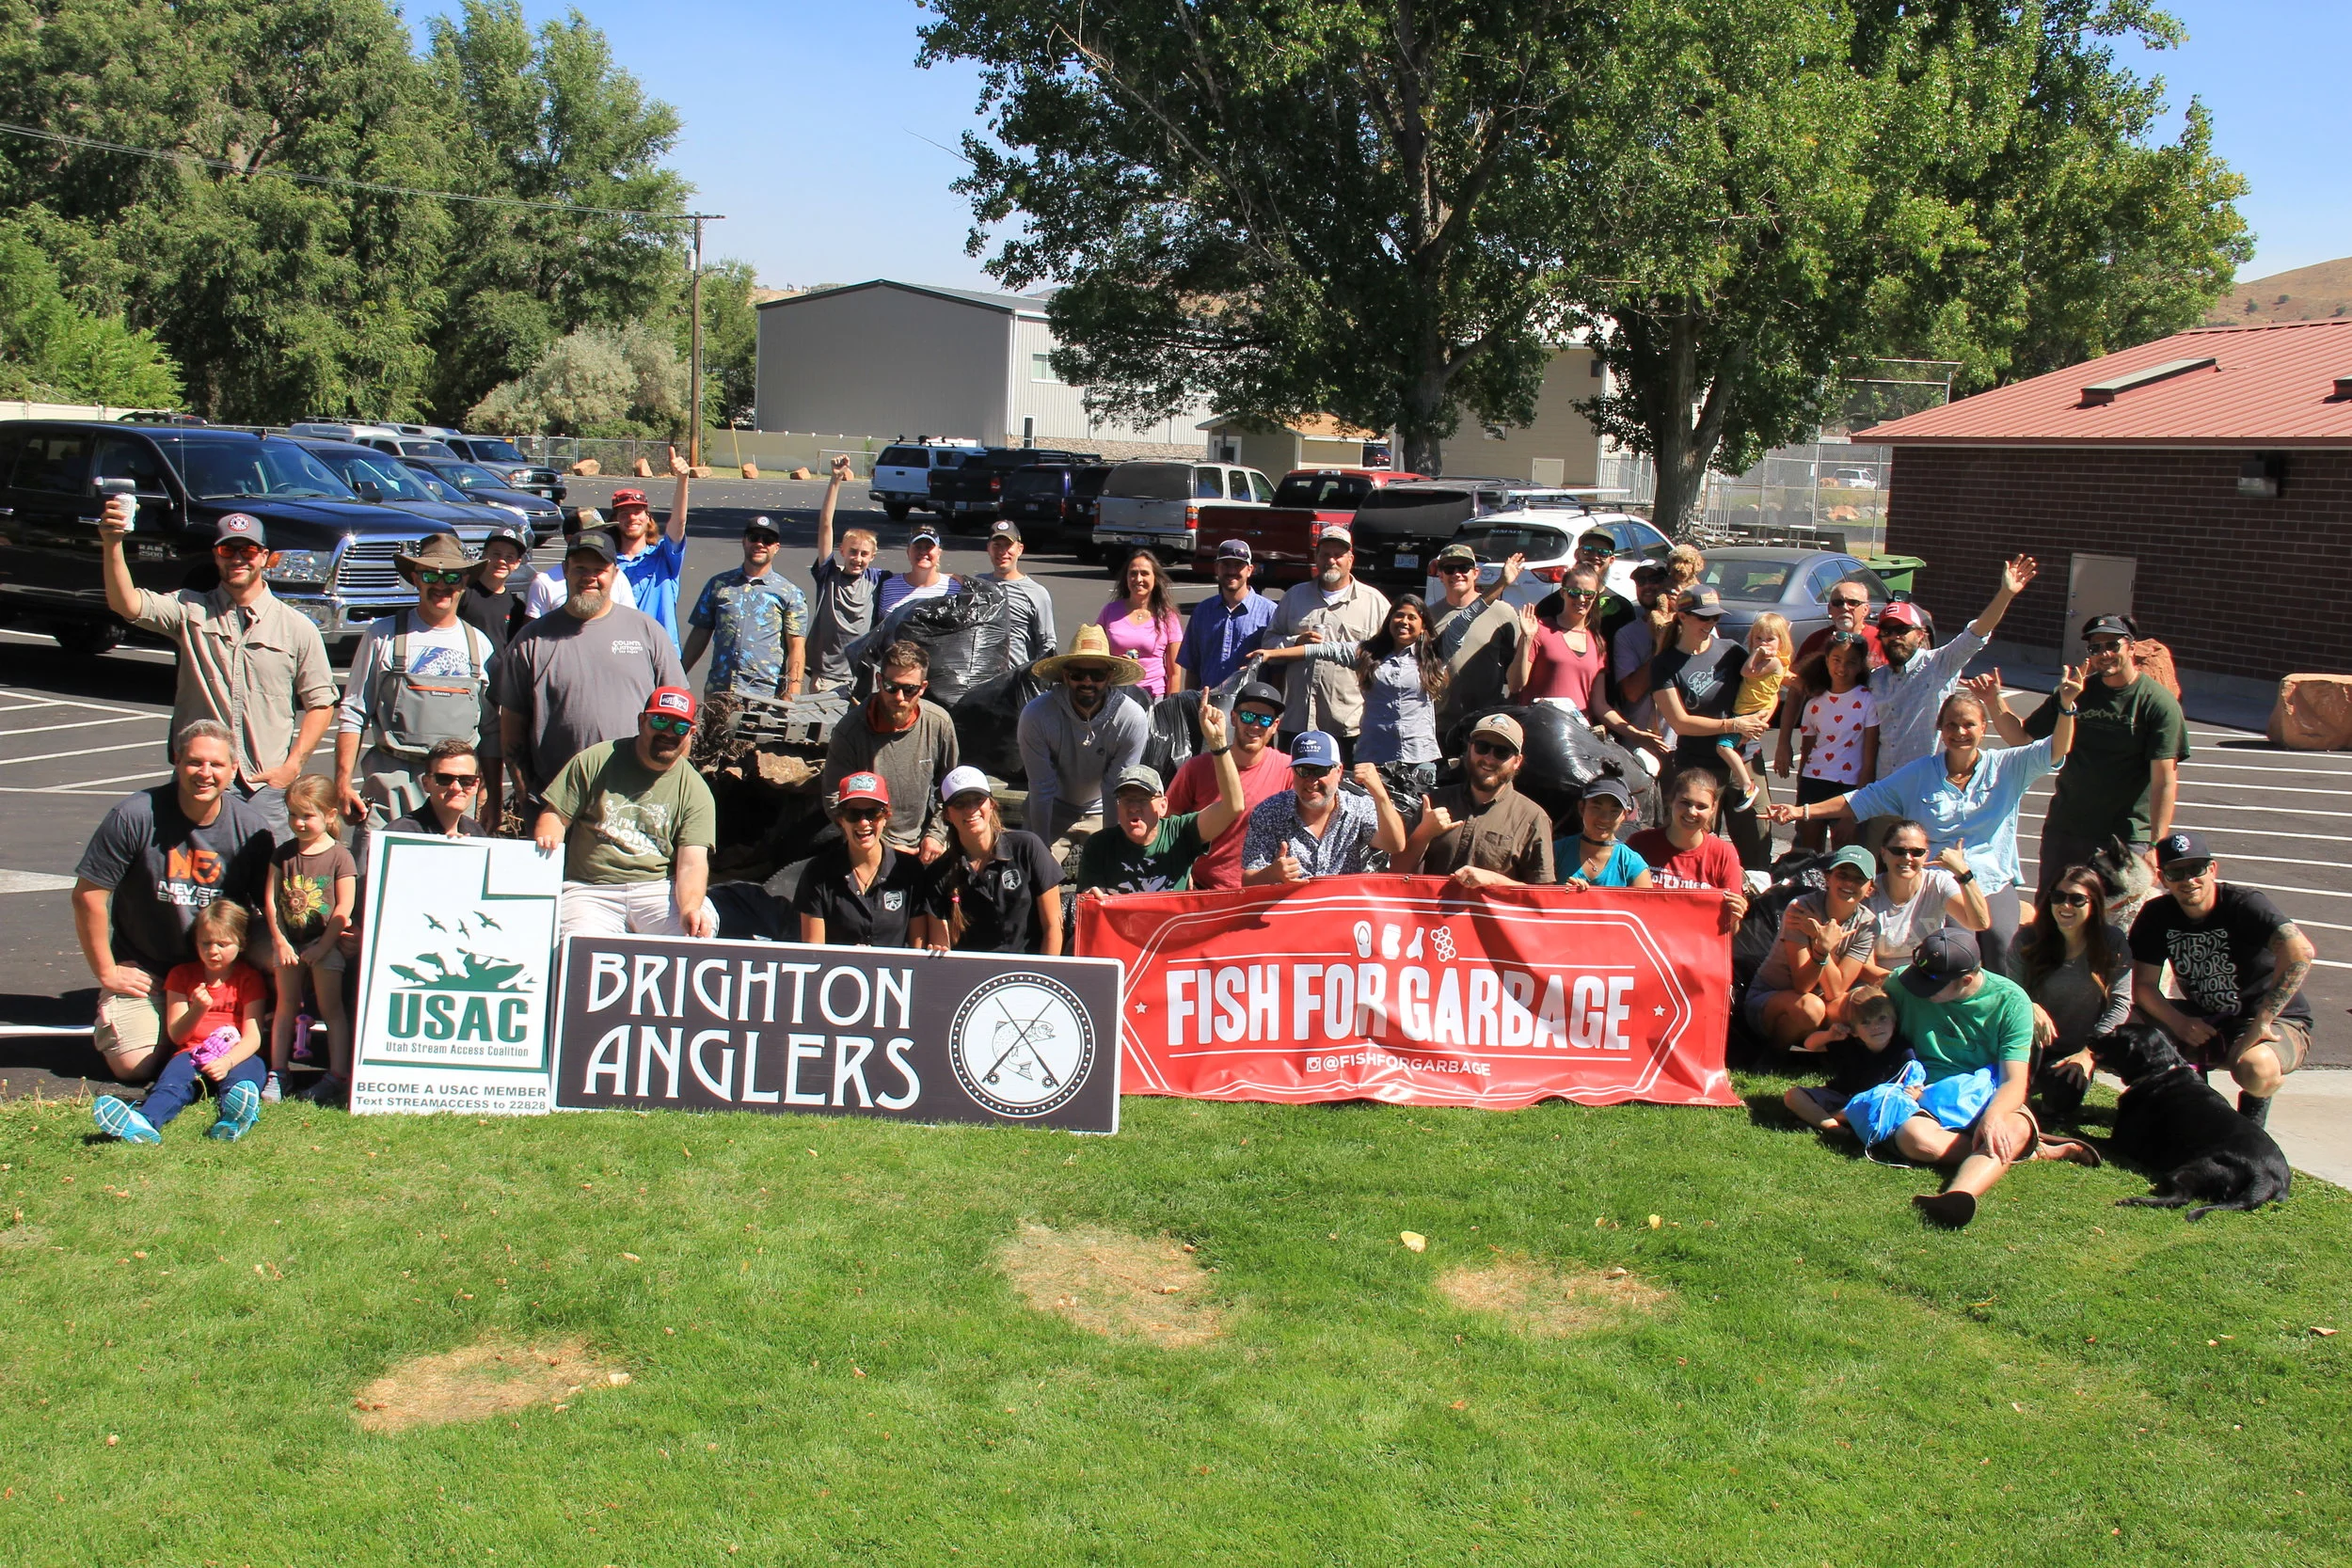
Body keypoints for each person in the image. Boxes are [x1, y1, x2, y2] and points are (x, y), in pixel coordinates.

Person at [1775, 668, 2084, 976]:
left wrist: (2067, 705)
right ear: (1940, 728)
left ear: (1983, 727)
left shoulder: (2008, 766)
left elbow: (2056, 751)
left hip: (1990, 878)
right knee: (1955, 948)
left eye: (1968, 724)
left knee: (2003, 943)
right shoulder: (1920, 773)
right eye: (1951, 724)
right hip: (1939, 883)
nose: (1960, 732)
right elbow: (1864, 799)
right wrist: (1802, 811)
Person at [95, 499, 335, 840]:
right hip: (200, 781)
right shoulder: (189, 609)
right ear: (216, 555)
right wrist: (112, 542)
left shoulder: (296, 628)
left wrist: (291, 766)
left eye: (248, 550)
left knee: (262, 880)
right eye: (228, 551)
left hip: (263, 786)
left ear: (265, 557)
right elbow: (127, 603)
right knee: (193, 878)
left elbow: (321, 704)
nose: (238, 558)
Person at [71, 721, 274, 1085]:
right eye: (195, 762)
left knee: (283, 954)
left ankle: (271, 1019)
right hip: (150, 968)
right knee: (135, 1067)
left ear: (234, 770)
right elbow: (88, 896)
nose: (205, 774)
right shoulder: (135, 816)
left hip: (218, 966)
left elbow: (272, 909)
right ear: (177, 761)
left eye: (216, 765)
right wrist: (107, 971)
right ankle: (153, 1020)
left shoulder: (251, 828)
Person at [1881, 929, 2101, 1229]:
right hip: (1929, 1097)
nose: (1915, 986)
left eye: (1928, 984)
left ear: (1966, 980)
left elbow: (2014, 1081)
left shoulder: (2011, 1002)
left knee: (2007, 1129)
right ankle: (2028, 1150)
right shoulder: (1902, 983)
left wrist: (1994, 1117)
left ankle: (1958, 1197)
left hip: (1990, 1095)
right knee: (1915, 1140)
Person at [1984, 614, 2187, 899]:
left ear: (2131, 647)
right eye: (2095, 648)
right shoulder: (2077, 692)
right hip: (2067, 829)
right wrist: (1994, 701)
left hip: (2124, 840)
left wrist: (2155, 843)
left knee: (2117, 920)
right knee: (2054, 910)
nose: (2104, 654)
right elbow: (2021, 737)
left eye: (2112, 645)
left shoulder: (2156, 703)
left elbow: (2164, 780)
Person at [2128, 831, 2315, 1128]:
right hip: (2209, 1018)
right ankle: (2193, 1107)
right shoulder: (2157, 915)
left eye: (2196, 869)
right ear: (2163, 878)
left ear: (2212, 869)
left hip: (2273, 1019)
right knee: (2132, 1030)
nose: (2189, 880)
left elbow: (2300, 952)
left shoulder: (2244, 905)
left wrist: (2261, 1023)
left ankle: (2251, 1122)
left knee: (2257, 1070)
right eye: (2177, 872)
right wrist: (2179, 1023)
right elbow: (2144, 988)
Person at [494, 529, 687, 813]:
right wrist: (526, 797)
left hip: (636, 799)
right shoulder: (531, 640)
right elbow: (511, 730)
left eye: (600, 569)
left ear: (615, 573)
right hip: (554, 804)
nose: (590, 577)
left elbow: (681, 719)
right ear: (565, 570)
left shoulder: (647, 632)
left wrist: (667, 788)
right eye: (581, 568)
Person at [332, 533, 498, 857]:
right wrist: (342, 782)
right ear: (414, 578)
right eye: (430, 575)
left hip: (456, 787)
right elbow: (354, 712)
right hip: (393, 782)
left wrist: (487, 794)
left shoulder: (480, 644)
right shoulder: (383, 635)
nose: (441, 585)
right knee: (377, 875)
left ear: (464, 581)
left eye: (451, 576)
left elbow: (490, 728)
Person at [534, 688, 718, 941]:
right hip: (591, 889)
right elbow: (555, 815)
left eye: (679, 727)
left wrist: (689, 909)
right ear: (642, 721)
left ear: (690, 734)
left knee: (696, 932)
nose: (667, 732)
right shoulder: (596, 760)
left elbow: (692, 863)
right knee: (581, 945)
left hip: (658, 889)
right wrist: (549, 839)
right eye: (660, 721)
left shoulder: (695, 789)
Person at [90, 900, 268, 1145]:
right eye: (206, 943)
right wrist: (198, 1008)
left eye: (223, 944)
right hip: (192, 1052)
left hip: (237, 1053)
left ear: (242, 943)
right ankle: (144, 1122)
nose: (213, 951)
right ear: (195, 943)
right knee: (171, 1084)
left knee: (247, 1077)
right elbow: (178, 1035)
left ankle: (234, 1119)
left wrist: (227, 1061)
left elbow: (253, 1036)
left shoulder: (249, 978)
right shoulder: (182, 976)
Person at [1254, 594, 1445, 820]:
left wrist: (1500, 584)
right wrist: (1271, 654)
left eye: (1412, 617)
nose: (1404, 621)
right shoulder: (1367, 653)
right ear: (1389, 621)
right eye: (1399, 615)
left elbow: (1468, 617)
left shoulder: (1435, 655)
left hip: (1418, 760)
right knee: (1371, 824)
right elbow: (1323, 650)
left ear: (1423, 626)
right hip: (1375, 759)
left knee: (1417, 826)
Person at [1867, 555, 2038, 779]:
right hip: (1884, 786)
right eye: (1887, 632)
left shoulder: (1939, 664)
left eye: (1902, 630)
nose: (1895, 637)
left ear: (1920, 635)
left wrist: (2005, 594)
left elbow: (1976, 634)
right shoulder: (1875, 680)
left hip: (1925, 784)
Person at [1646, 586, 1769, 868]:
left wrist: (1761, 716)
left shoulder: (1731, 651)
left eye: (1715, 618)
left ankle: (1757, 901)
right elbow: (1680, 722)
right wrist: (1733, 724)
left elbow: (1761, 690)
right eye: (1704, 618)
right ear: (1683, 617)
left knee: (1757, 838)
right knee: (1692, 843)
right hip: (1698, 765)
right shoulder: (1665, 665)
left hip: (1743, 759)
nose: (1711, 624)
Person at [1018, 626, 1152, 867]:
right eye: (1079, 674)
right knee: (1032, 875)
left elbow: (1116, 789)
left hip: (1103, 809)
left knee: (1119, 872)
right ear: (1066, 676)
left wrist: (1113, 848)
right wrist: (1040, 850)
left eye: (1097, 675)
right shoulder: (1037, 715)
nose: (1088, 682)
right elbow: (1041, 787)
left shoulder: (1131, 718)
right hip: (1054, 806)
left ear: (1110, 676)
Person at [1075, 704, 1246, 895]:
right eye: (1126, 799)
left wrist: (1218, 743)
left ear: (1163, 805)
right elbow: (1087, 903)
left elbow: (1234, 807)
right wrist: (1090, 897)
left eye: (1143, 799)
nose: (1133, 807)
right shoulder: (1100, 845)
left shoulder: (1180, 833)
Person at [821, 641, 959, 862]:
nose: (899, 698)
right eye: (891, 687)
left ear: (923, 688)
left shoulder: (938, 723)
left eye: (909, 689)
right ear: (879, 681)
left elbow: (951, 788)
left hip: (923, 845)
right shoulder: (850, 731)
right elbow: (834, 798)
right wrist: (879, 846)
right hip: (868, 842)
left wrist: (936, 834)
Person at [262, 775, 355, 1106]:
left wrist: (323, 947)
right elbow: (271, 901)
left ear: (330, 815)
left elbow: (345, 907)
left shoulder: (340, 857)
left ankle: (338, 1075)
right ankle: (278, 1072)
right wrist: (281, 942)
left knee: (331, 1009)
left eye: (308, 815)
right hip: (290, 943)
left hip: (323, 945)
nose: (299, 823)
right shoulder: (283, 854)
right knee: (285, 1006)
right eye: (293, 815)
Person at [2019, 864, 2134, 1124]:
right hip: (2027, 1041)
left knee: (2062, 1097)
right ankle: (2020, 1083)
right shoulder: (2028, 938)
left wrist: (2089, 1053)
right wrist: (2030, 1006)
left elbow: (2121, 1003)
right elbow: (2010, 991)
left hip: (2075, 1049)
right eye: (2058, 897)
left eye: (2076, 899)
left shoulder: (2112, 942)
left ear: (2094, 903)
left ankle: (2045, 1088)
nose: (2065, 906)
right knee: (2008, 1090)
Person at [1265, 528, 1391, 762]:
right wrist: (1295, 642)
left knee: (1346, 791)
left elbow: (1390, 657)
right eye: (1325, 554)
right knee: (1291, 790)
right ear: (1316, 558)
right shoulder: (1294, 597)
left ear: (1350, 560)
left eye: (1338, 555)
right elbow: (1269, 644)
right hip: (1296, 720)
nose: (1331, 560)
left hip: (1348, 723)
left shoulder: (1374, 603)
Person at [1745, 845, 1881, 1052]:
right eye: (1842, 875)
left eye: (1859, 879)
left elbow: (1836, 991)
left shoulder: (1868, 924)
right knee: (1811, 1007)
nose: (1848, 883)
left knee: (1858, 1005)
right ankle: (1773, 1055)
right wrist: (1822, 947)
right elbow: (1803, 986)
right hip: (1772, 998)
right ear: (1828, 878)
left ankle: (1837, 1060)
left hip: (1823, 998)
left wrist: (1819, 941)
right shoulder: (1801, 908)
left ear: (1870, 888)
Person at [1396, 712, 1553, 888]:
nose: (1489, 758)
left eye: (1502, 752)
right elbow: (1396, 874)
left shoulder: (1532, 817)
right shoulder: (1435, 802)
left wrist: (1495, 881)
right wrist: (1423, 834)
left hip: (1490, 915)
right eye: (1482, 747)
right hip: (1430, 914)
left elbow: (1542, 896)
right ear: (1469, 749)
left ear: (1517, 761)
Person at [1162, 680, 1293, 892]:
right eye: (1248, 716)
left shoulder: (1288, 770)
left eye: (1265, 719)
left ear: (1275, 726)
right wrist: (1180, 867)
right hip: (1204, 890)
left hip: (1262, 891)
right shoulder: (1197, 768)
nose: (1256, 726)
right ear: (1233, 718)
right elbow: (1165, 825)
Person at [924, 767, 1063, 954]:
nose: (971, 809)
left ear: (991, 804)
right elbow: (942, 948)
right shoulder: (938, 873)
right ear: (947, 814)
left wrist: (1043, 977)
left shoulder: (1028, 847)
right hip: (975, 977)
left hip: (1031, 974)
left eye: (978, 800)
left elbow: (1054, 927)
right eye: (959, 804)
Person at [1241, 734, 1408, 883]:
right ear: (1293, 772)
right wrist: (1273, 874)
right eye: (1302, 770)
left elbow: (1394, 845)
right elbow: (1248, 880)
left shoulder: (1359, 806)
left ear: (1339, 771)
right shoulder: (1268, 812)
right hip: (1289, 911)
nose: (1311, 780)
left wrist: (1380, 795)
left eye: (1321, 770)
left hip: (1341, 911)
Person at [683, 513, 809, 700]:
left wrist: (792, 694)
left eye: (768, 539)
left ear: (776, 547)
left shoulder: (789, 593)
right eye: (754, 537)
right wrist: (678, 676)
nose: (760, 544)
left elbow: (796, 647)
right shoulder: (719, 585)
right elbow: (700, 633)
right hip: (720, 691)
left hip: (765, 695)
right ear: (744, 541)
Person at [795, 772, 929, 947]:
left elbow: (918, 952)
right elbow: (813, 952)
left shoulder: (909, 871)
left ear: (886, 817)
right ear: (841, 819)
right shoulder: (817, 873)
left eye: (873, 813)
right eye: (853, 814)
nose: (864, 822)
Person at [458, 523, 532, 827]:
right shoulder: (465, 595)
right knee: (464, 760)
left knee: (493, 760)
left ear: (517, 563)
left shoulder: (516, 607)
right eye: (496, 553)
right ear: (484, 555)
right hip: (466, 691)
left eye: (510, 556)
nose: (502, 560)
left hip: (499, 696)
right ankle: (458, 818)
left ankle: (483, 820)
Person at [1860, 819, 1992, 980]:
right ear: (1884, 853)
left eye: (1917, 852)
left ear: (1926, 856)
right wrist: (1906, 985)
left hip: (1930, 978)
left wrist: (1963, 873)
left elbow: (1979, 923)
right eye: (1898, 850)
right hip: (1883, 983)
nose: (1907, 858)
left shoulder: (1938, 884)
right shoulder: (1869, 894)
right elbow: (1865, 967)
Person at [1784, 632, 1878, 851]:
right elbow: (1806, 754)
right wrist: (1801, 792)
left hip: (1849, 788)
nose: (1842, 669)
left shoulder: (1868, 700)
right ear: (1826, 660)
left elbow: (1869, 758)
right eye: (1836, 660)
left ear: (1860, 665)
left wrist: (1855, 810)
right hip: (1813, 784)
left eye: (1851, 662)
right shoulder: (1814, 703)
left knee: (1844, 854)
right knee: (1809, 856)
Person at [1781, 984, 1914, 1134]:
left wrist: (1914, 1091)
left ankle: (1822, 1119)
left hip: (1873, 1103)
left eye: (1882, 1018)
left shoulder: (1902, 1049)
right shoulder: (1849, 1043)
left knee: (1872, 1109)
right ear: (1854, 1031)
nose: (1875, 1026)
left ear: (1894, 1022)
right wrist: (1829, 1035)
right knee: (1793, 1096)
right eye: (1865, 1022)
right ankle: (1836, 1128)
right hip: (1841, 1096)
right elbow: (1810, 1045)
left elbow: (1913, 1079)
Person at [1626, 767, 1748, 928]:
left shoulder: (1723, 853)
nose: (1692, 812)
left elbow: (1730, 931)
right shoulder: (1639, 844)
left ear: (1713, 809)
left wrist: (1734, 917)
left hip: (1695, 947)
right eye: (1685, 802)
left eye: (1701, 806)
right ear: (1671, 801)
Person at [805, 455, 890, 690]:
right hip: (826, 676)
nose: (858, 558)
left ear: (873, 556)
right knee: (819, 727)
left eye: (864, 554)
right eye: (853, 552)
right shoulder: (828, 575)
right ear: (841, 550)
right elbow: (825, 525)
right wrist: (835, 480)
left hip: (861, 676)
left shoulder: (878, 579)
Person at [1426, 542, 1522, 733]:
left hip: (1487, 722)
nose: (1457, 574)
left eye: (1464, 568)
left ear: (1475, 573)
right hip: (1441, 724)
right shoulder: (1428, 616)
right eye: (1449, 568)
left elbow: (1517, 668)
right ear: (1440, 575)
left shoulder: (1502, 612)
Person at [609, 449, 693, 645]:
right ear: (614, 520)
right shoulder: (606, 562)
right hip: (618, 650)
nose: (632, 517)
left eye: (638, 511)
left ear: (648, 519)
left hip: (660, 654)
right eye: (624, 513)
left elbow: (678, 525)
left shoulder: (664, 557)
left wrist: (682, 480)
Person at [1178, 539, 1280, 692]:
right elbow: (1192, 667)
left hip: (1249, 709)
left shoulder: (1270, 612)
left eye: (1238, 565)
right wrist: (1191, 705)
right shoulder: (1202, 611)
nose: (1231, 571)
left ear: (1250, 570)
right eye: (1225, 565)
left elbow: (1278, 671)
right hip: (1208, 707)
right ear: (1217, 568)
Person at [1716, 611, 1791, 810]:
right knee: (1736, 744)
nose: (1763, 644)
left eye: (1770, 639)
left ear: (1781, 642)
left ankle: (1747, 785)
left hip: (1747, 714)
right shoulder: (1768, 661)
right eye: (1758, 638)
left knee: (1723, 747)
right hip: (1746, 710)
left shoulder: (1772, 662)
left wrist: (1756, 654)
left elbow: (1746, 671)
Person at [1098, 549, 1185, 700]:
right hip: (1113, 696)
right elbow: (1095, 654)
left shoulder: (1168, 617)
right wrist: (1116, 665)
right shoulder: (1110, 611)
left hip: (1153, 697)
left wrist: (1170, 708)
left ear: (1155, 578)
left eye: (1144, 573)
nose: (1138, 579)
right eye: (1133, 573)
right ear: (1126, 578)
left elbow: (1175, 673)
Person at [522, 512, 638, 618]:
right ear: (570, 539)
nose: (600, 538)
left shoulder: (617, 577)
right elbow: (534, 631)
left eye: (603, 532)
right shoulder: (545, 582)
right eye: (592, 533)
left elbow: (631, 620)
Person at [1553, 777, 1654, 890]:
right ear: (1582, 808)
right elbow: (1536, 897)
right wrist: (1560, 895)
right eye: (1596, 808)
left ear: (1624, 815)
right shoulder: (1556, 852)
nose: (1605, 819)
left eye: (1614, 811)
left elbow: (1645, 905)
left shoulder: (1632, 864)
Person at [985, 519, 1058, 671]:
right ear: (988, 548)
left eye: (1008, 545)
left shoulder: (1036, 593)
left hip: (1017, 682)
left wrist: (1039, 681)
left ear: (1020, 549)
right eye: (997, 545)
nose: (1002, 552)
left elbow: (1047, 643)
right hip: (981, 683)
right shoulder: (977, 585)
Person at [384, 737, 490, 839]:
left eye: (466, 780)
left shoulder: (476, 832)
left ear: (475, 785)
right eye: (444, 779)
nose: (456, 788)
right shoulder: (400, 833)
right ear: (426, 783)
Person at [879, 524, 959, 617]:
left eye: (929, 547)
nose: (923, 552)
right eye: (918, 547)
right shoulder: (889, 587)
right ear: (908, 552)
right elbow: (880, 627)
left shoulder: (954, 588)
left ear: (939, 553)